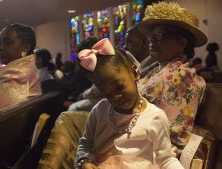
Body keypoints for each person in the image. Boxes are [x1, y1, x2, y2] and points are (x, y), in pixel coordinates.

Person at [76, 38, 183, 169]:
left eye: (119, 87)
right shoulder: (100, 110)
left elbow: (166, 159)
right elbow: (86, 143)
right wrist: (84, 161)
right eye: (107, 94)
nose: (116, 96)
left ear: (134, 72)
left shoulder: (155, 117)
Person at [137, 2, 207, 153]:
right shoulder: (156, 68)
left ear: (181, 43)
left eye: (159, 36)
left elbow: (174, 135)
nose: (152, 41)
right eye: (151, 36)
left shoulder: (182, 76)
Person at [0, 24, 41, 113]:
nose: (0, 48)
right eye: (0, 42)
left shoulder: (16, 73)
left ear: (25, 47)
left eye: (8, 42)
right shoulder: (27, 68)